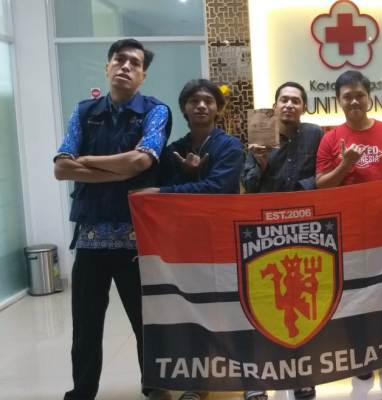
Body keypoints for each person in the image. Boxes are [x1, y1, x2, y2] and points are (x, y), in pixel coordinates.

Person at [53, 38, 172, 400]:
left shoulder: (156, 111)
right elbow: (61, 168)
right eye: (119, 60)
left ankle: (155, 386)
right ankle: (82, 392)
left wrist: (88, 162)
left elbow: (142, 160)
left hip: (136, 239)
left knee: (146, 322)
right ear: (107, 67)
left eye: (135, 63)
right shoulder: (83, 112)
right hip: (90, 239)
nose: (126, 67)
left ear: (143, 75)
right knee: (85, 326)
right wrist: (120, 170)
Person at [137, 80, 243, 400]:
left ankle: (250, 379)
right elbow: (171, 196)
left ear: (218, 108)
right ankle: (199, 382)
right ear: (184, 107)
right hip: (184, 246)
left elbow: (218, 190)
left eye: (208, 101)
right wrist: (185, 176)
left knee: (232, 310)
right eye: (194, 101)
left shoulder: (230, 146)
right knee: (192, 312)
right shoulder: (174, 149)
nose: (201, 106)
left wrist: (165, 191)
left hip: (222, 242)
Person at [316, 70, 382, 379]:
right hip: (348, 232)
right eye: (347, 97)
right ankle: (361, 354)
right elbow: (321, 185)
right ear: (339, 101)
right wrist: (345, 165)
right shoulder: (330, 138)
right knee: (355, 294)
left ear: (369, 97)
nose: (354, 101)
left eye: (359, 95)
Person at [241, 81, 323, 400]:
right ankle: (257, 379)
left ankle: (301, 375)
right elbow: (248, 186)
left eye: (295, 100)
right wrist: (260, 163)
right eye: (283, 100)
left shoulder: (315, 134)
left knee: (301, 303)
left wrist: (299, 191)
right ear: (274, 105)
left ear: (304, 107)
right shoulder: (260, 132)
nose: (289, 105)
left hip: (304, 229)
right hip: (264, 231)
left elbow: (323, 174)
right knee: (261, 303)